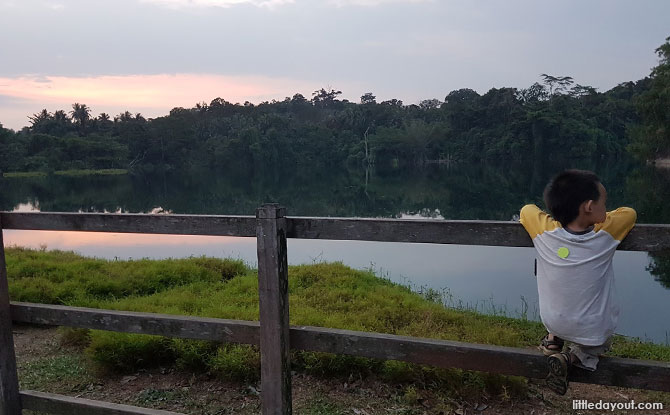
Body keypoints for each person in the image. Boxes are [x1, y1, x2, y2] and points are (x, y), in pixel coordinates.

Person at [519, 169, 636, 395]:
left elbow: (526, 210)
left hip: (554, 321)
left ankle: (553, 340)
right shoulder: (605, 234)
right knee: (595, 344)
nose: (606, 207)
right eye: (604, 202)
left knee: (565, 297)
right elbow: (629, 213)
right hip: (592, 330)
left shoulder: (544, 230)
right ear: (589, 207)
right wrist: (601, 219)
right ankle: (571, 357)